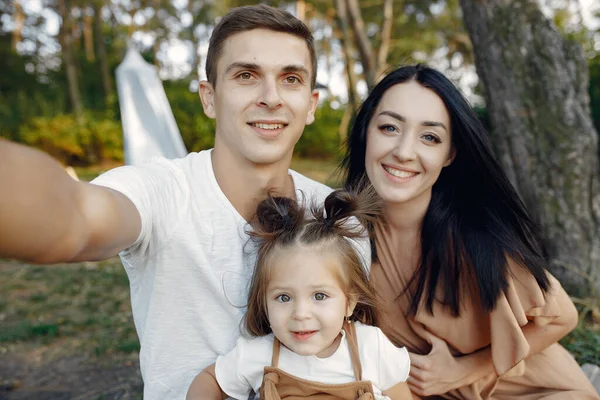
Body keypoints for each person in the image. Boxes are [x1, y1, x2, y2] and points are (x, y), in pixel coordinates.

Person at [0, 5, 369, 399]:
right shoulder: (162, 191)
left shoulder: (338, 216)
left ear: (311, 105)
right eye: (246, 75)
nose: (271, 97)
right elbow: (77, 217)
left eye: (290, 79)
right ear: (209, 98)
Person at [342, 64, 599, 399]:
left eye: (429, 137)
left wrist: (465, 370)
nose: (404, 152)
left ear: (449, 154)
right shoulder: (343, 236)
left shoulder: (477, 239)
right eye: (389, 127)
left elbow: (563, 318)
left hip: (536, 390)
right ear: (366, 132)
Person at [186, 189, 412, 400]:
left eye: (319, 296)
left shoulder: (370, 348)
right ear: (264, 304)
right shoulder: (258, 354)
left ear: (349, 302)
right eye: (284, 298)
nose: (301, 314)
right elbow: (211, 379)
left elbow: (400, 391)